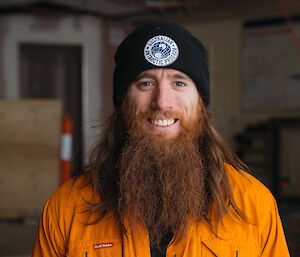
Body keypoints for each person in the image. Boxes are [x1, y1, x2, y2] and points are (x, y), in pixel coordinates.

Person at [32, 22, 290, 257]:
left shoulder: (254, 205)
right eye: (145, 83)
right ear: (123, 102)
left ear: (201, 103)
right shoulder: (66, 209)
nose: (162, 101)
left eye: (179, 83)